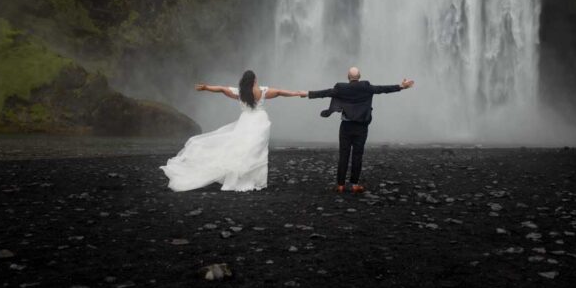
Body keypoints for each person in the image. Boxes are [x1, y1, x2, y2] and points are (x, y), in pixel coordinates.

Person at [160, 70, 305, 192]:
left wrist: (206, 88)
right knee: (257, 150)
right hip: (260, 121)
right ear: (254, 80)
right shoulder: (262, 91)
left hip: (246, 120)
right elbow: (279, 92)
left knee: (242, 147)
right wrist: (296, 93)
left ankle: (241, 175)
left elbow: (222, 89)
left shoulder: (240, 92)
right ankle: (255, 179)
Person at [308, 67, 414, 193]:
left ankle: (340, 185)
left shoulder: (341, 88)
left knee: (343, 155)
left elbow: (325, 93)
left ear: (348, 77)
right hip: (361, 127)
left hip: (346, 127)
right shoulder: (366, 87)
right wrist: (401, 86)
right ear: (360, 77)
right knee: (357, 155)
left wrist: (306, 94)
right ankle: (354, 185)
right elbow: (383, 89)